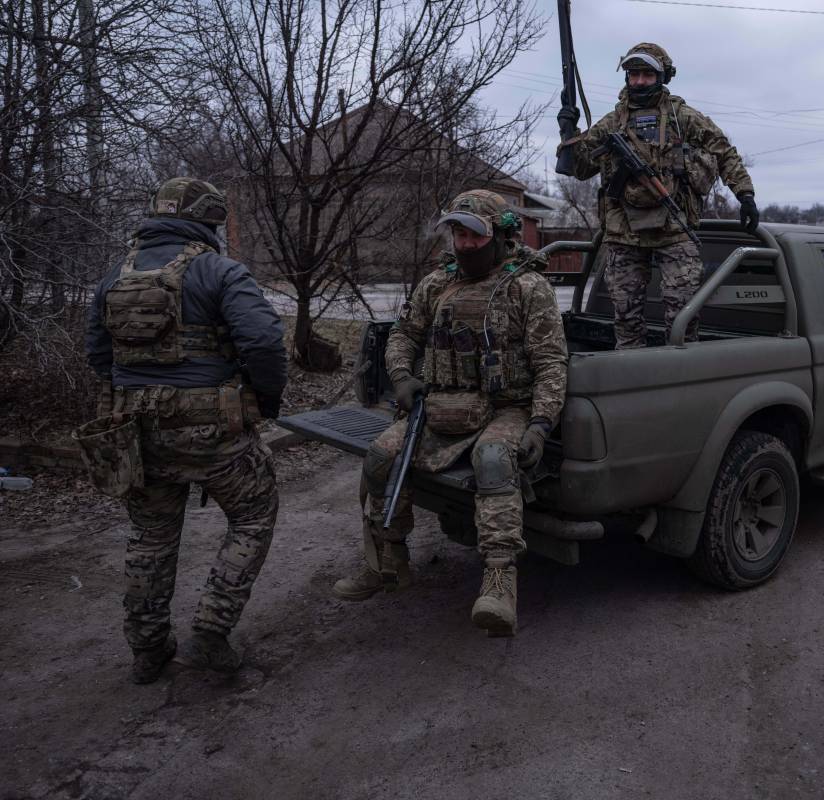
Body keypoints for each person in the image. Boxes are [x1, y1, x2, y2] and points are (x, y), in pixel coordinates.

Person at [332, 189, 568, 638]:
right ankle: (388, 560)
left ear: (500, 235)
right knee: (381, 456)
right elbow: (403, 335)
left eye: (473, 236)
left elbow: (551, 363)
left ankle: (500, 582)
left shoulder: (526, 287)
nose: (462, 245)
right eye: (457, 234)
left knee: (496, 462)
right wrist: (402, 378)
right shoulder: (438, 283)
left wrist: (540, 423)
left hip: (505, 408)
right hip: (439, 404)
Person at [84, 177, 288, 683]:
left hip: (136, 434)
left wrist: (136, 388)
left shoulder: (114, 276)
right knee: (253, 515)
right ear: (209, 221)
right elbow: (263, 343)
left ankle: (148, 649)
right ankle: (211, 632)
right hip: (212, 432)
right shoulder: (219, 270)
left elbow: (97, 354)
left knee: (150, 537)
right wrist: (266, 398)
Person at [557, 42, 757, 348]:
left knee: (683, 317)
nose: (638, 81)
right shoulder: (613, 122)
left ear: (662, 76)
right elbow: (582, 169)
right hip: (623, 234)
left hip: (674, 230)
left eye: (646, 74)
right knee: (625, 317)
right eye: (633, 74)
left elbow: (724, 150)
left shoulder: (682, 117)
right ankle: (634, 379)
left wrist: (744, 194)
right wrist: (568, 133)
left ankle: (682, 378)